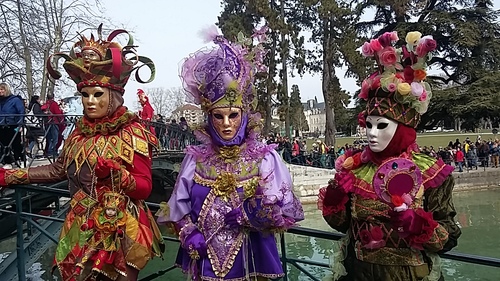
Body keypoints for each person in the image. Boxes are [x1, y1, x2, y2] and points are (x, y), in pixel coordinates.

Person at [0, 25, 163, 281]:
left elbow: (144, 187)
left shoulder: (132, 131)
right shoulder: (78, 132)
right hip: (79, 224)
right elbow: (58, 169)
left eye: (98, 94)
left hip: (119, 228)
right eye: (84, 95)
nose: (89, 101)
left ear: (114, 95)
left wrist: (117, 175)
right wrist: (11, 176)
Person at [157, 27, 304, 281]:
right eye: (218, 116)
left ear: (244, 116)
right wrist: (189, 232)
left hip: (252, 265)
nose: (226, 124)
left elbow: (284, 209)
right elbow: (177, 208)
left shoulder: (264, 159)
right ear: (208, 117)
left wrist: (255, 214)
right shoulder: (195, 160)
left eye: (233, 115)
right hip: (205, 264)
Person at [318, 31, 461, 281]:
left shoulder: (432, 174)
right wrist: (336, 197)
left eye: (381, 125)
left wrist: (419, 225)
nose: (372, 134)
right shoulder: (355, 168)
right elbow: (342, 226)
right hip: (359, 274)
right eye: (369, 125)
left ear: (403, 129)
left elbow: (447, 238)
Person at [0, 82, 25, 169]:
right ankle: (7, 162)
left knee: (16, 144)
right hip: (2, 125)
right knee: (4, 145)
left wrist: (20, 124)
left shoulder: (15, 100)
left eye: (2, 89)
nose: (0, 91)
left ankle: (22, 159)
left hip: (13, 124)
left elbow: (21, 112)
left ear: (6, 90)